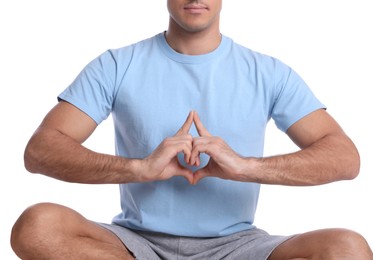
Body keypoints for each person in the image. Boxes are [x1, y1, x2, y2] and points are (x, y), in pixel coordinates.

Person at [10, 0, 373, 259]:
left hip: (237, 246)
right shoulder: (117, 65)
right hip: (133, 245)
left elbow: (345, 157)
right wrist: (140, 168)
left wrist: (244, 166)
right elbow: (40, 151)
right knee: (36, 225)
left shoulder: (268, 72)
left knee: (348, 249)